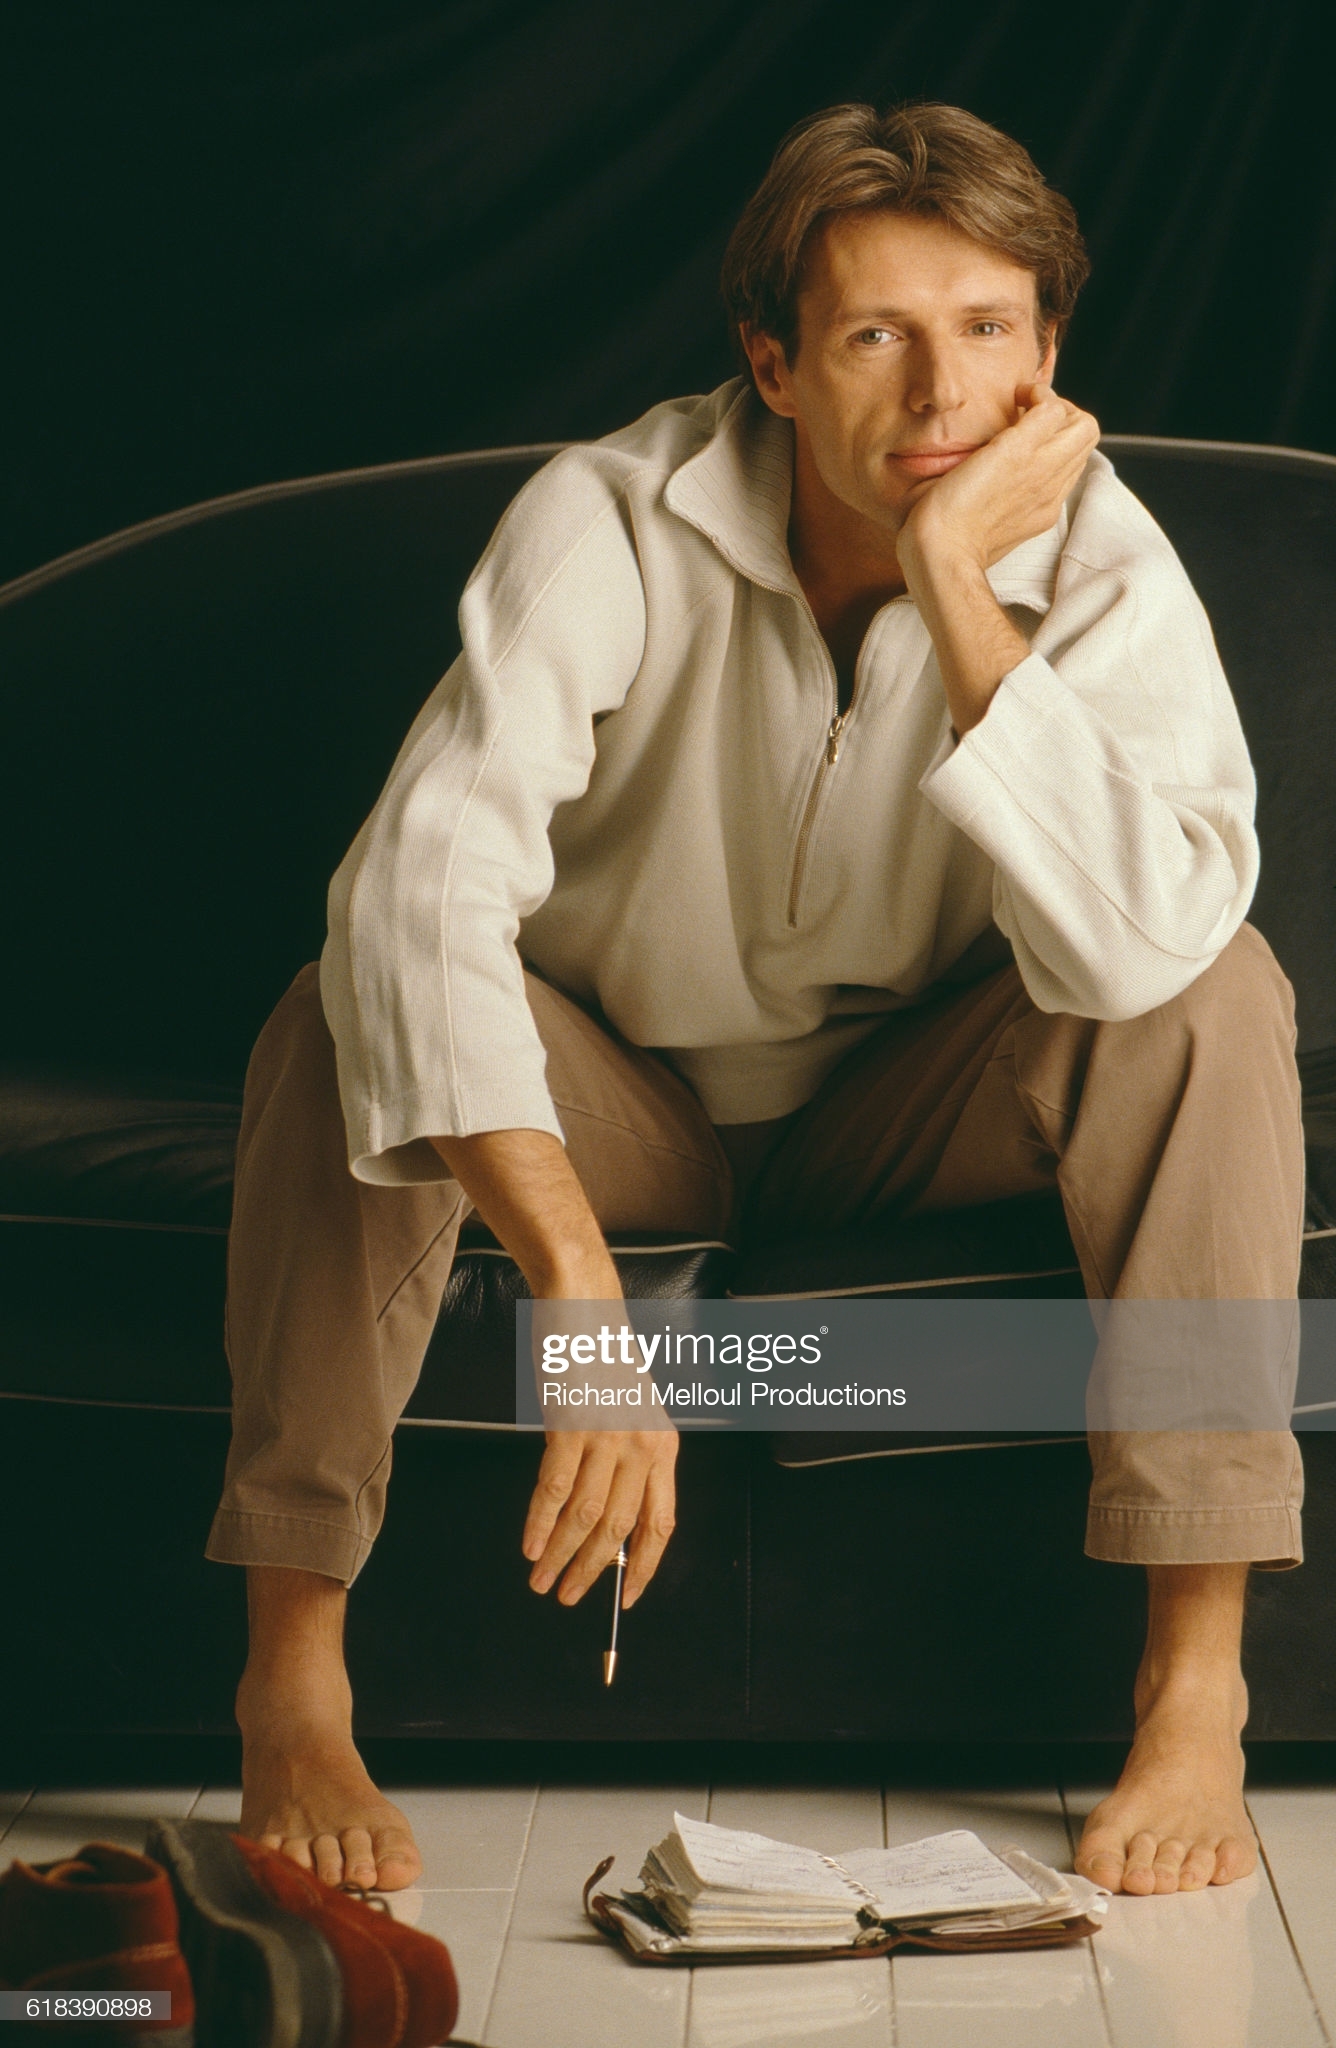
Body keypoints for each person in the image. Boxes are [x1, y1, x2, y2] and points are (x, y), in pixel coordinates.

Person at [206, 101, 1305, 1903]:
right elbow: (421, 886)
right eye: (877, 335)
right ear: (774, 364)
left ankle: (1197, 1687)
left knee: (1211, 989)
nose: (940, 391)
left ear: (1048, 357)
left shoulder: (1105, 564)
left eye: (986, 329)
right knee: (343, 1004)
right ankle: (295, 1684)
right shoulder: (608, 516)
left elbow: (1144, 948)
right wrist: (580, 1303)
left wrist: (956, 584)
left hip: (915, 1109)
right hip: (622, 1099)